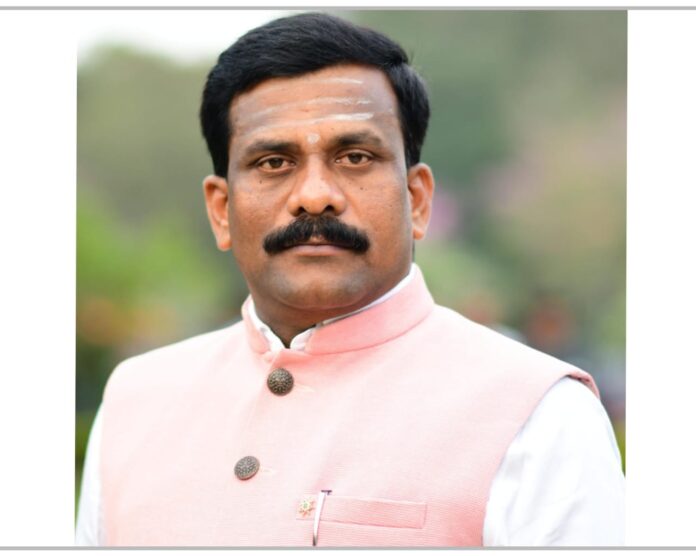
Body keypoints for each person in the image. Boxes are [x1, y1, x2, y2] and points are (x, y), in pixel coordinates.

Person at [75, 12, 625, 547]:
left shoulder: (535, 413)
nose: (315, 196)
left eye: (355, 157)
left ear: (417, 199)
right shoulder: (134, 402)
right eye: (274, 163)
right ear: (221, 210)